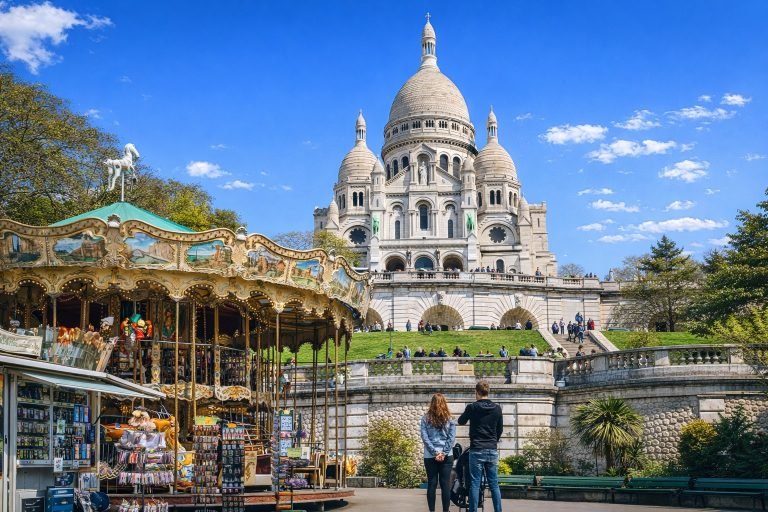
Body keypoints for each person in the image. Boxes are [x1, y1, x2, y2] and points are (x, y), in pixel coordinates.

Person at [458, 381, 503, 512]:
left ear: (476, 392)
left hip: (477, 449)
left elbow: (461, 421)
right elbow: (499, 429)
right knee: (494, 484)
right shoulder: (497, 408)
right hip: (491, 449)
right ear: (488, 392)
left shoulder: (472, 407)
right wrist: (493, 441)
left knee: (475, 484)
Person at [421, 393, 456, 512]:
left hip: (430, 456)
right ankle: (446, 510)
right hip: (447, 456)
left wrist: (435, 452)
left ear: (432, 403)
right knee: (445, 484)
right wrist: (444, 452)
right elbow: (451, 438)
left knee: (432, 483)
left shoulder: (425, 418)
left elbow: (425, 438)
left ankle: (432, 511)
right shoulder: (450, 418)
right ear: (444, 403)